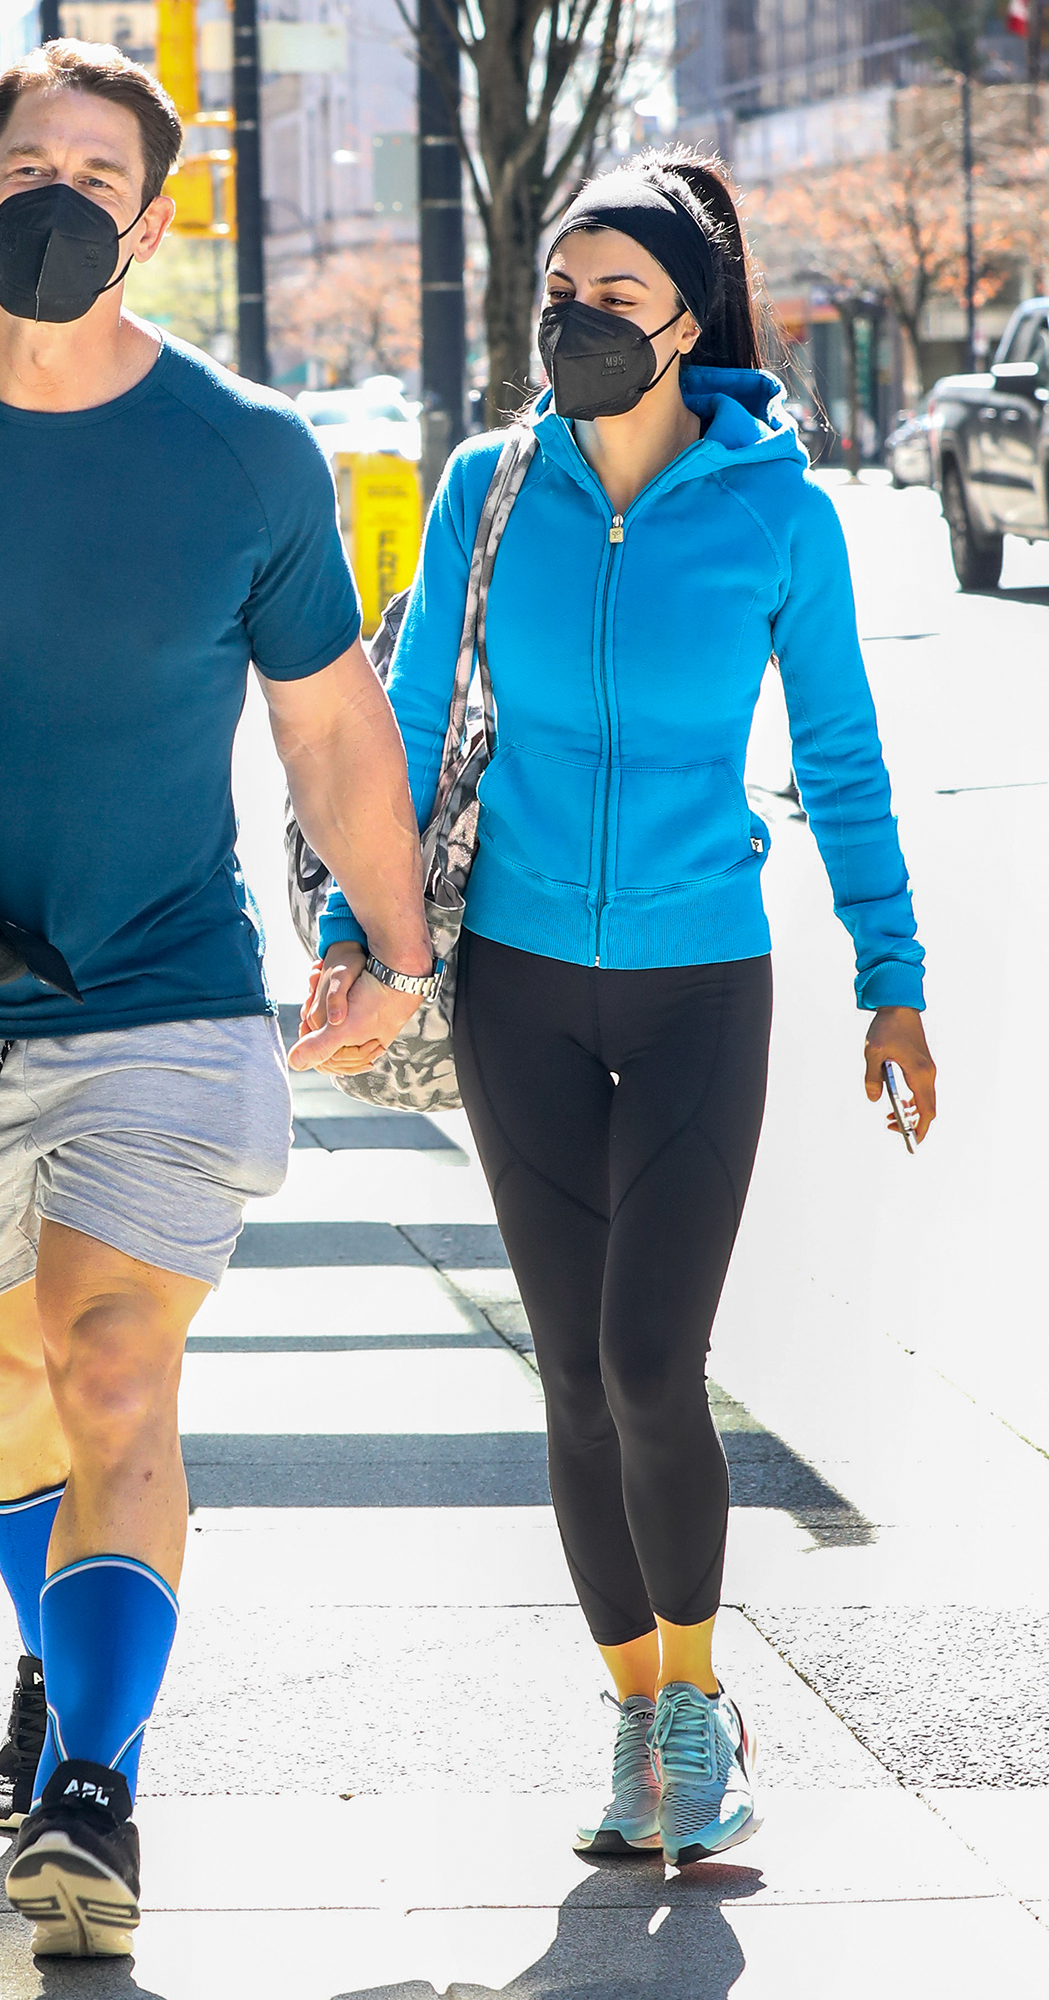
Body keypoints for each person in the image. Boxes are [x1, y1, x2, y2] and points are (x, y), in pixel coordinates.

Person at [0, 38, 429, 1962]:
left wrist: (389, 952)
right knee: (0, 1403)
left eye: (96, 172)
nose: (59, 194)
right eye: (26, 163)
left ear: (149, 218)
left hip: (165, 991)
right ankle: (68, 1667)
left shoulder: (243, 454)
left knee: (112, 1361)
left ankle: (94, 1791)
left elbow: (328, 728)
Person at [303, 151, 936, 1869]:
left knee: (652, 1361)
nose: (572, 323)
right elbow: (403, 712)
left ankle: (693, 1704)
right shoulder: (482, 488)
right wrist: (361, 942)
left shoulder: (769, 516)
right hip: (508, 979)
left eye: (612, 299)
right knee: (571, 1378)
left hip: (693, 985)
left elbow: (838, 759)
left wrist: (891, 978)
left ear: (685, 324)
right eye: (556, 295)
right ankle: (639, 1721)